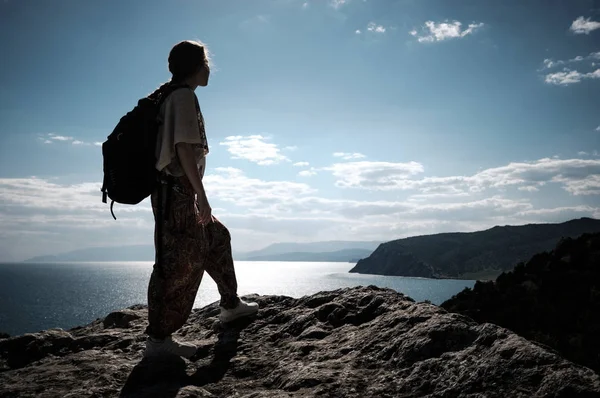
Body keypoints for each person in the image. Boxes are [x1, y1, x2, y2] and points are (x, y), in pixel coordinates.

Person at [144, 40, 259, 358]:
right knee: (179, 263)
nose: (210, 68)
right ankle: (158, 342)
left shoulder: (171, 95)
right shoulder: (182, 97)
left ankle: (231, 305)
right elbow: (183, 149)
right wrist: (202, 196)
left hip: (176, 192)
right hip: (178, 192)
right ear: (197, 66)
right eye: (207, 62)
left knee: (216, 237)